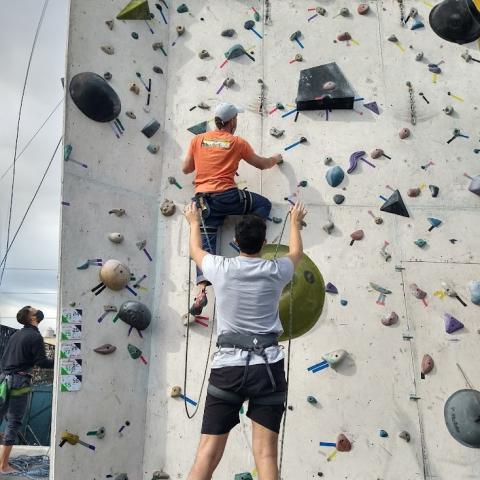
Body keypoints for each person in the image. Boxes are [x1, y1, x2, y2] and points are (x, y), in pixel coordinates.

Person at [185, 201, 307, 480]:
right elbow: (297, 252)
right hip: (268, 367)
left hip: (228, 368)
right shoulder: (277, 271)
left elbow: (196, 251)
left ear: (236, 242)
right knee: (265, 456)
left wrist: (194, 222)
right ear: (264, 243)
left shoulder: (220, 267)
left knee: (207, 454)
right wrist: (294, 222)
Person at [182, 102, 284, 317]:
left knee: (206, 246)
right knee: (262, 204)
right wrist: (277, 158)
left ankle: (201, 292)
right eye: (236, 118)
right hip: (228, 197)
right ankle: (244, 245)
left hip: (203, 201)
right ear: (232, 121)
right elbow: (262, 164)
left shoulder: (197, 140)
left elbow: (186, 168)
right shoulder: (237, 142)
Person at [0, 306, 54, 473]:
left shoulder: (16, 335)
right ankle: (3, 466)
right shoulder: (35, 336)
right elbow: (42, 362)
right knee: (14, 422)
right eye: (34, 310)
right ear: (32, 318)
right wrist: (60, 358)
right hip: (19, 382)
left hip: (3, 380)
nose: (38, 310)